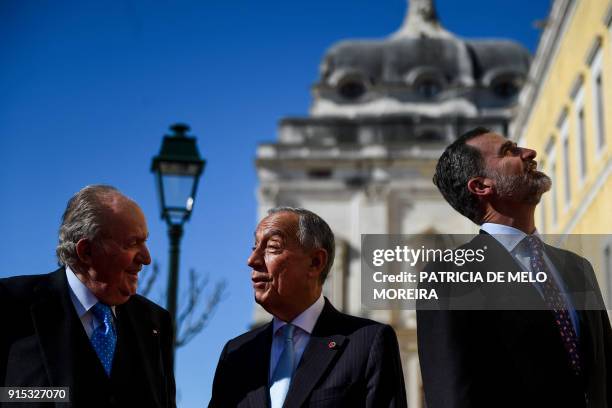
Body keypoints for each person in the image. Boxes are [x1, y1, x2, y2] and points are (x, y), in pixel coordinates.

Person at [417, 127, 612, 408]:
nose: (529, 153)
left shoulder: (578, 268)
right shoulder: (448, 277)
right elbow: (452, 392)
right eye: (509, 151)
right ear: (481, 186)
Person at [209, 207, 407, 408]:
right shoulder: (237, 354)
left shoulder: (368, 343)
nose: (252, 261)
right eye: (254, 248)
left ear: (315, 262)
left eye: (272, 247)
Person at [0, 185, 176, 408]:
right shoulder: (11, 304)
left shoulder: (155, 322)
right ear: (86, 251)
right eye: (132, 243)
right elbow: (9, 395)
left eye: (145, 241)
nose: (146, 258)